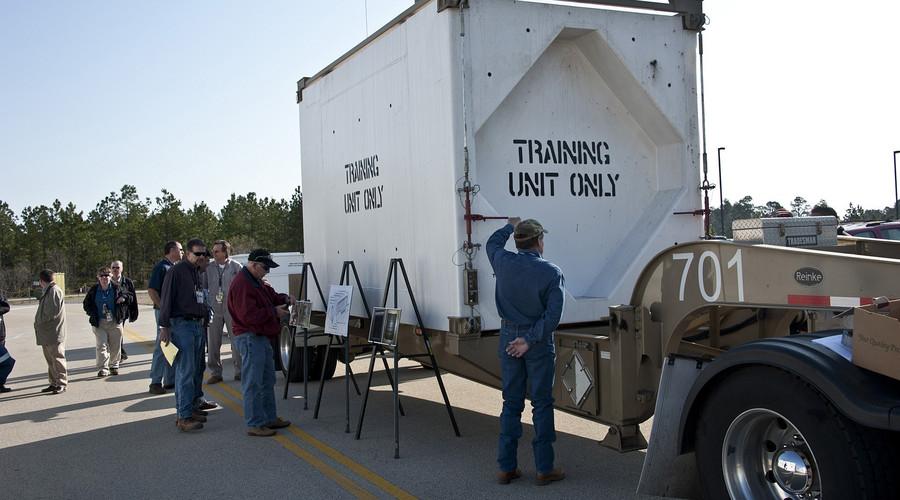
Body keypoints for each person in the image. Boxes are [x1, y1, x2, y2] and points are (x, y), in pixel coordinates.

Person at [486, 218, 566, 486]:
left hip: (508, 337)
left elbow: (492, 243)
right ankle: (544, 469)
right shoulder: (551, 273)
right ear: (539, 241)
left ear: (519, 241)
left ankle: (505, 468)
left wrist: (509, 226)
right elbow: (552, 316)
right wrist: (530, 339)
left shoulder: (502, 262)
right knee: (541, 404)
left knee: (511, 403)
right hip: (538, 342)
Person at [227, 248, 293, 437]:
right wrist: (274, 313)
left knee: (266, 380)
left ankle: (269, 418)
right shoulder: (242, 284)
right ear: (253, 265)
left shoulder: (255, 280)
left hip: (260, 337)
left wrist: (286, 299)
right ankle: (255, 423)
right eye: (265, 267)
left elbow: (272, 297)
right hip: (250, 337)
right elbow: (248, 316)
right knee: (253, 382)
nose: (267, 271)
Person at [158, 238, 213, 432]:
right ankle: (183, 416)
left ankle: (189, 408)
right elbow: (166, 300)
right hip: (182, 326)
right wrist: (164, 327)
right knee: (185, 372)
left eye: (203, 254)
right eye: (197, 254)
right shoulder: (176, 271)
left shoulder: (196, 272)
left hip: (196, 326)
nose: (201, 257)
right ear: (188, 253)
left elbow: (199, 298)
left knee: (196, 369)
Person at [205, 240, 243, 384]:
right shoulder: (208, 268)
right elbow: (202, 286)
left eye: (216, 251)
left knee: (236, 341)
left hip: (232, 309)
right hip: (214, 309)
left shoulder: (236, 267)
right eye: (213, 251)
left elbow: (244, 285)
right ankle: (216, 373)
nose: (213, 253)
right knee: (213, 342)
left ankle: (240, 371)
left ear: (225, 252)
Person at [83, 266, 130, 377]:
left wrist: (123, 298)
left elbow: (129, 296)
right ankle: (103, 368)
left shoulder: (117, 287)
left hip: (115, 321)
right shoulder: (94, 290)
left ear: (111, 277)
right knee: (101, 345)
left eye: (107, 276)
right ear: (98, 277)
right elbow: (86, 304)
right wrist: (92, 313)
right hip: (99, 322)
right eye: (102, 276)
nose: (104, 278)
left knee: (115, 345)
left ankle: (114, 365)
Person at [147, 241, 181, 394]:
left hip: (172, 313)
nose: (182, 251)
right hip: (163, 313)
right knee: (162, 344)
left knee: (170, 346)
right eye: (180, 249)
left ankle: (169, 380)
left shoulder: (172, 267)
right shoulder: (161, 267)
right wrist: (163, 308)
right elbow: (152, 291)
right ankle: (155, 382)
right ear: (172, 250)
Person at [34, 269, 68, 394]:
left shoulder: (53, 291)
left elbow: (51, 312)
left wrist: (39, 322)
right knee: (51, 360)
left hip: (53, 332)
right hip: (47, 333)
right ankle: (54, 382)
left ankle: (61, 383)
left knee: (57, 358)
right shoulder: (48, 290)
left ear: (41, 281)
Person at [110, 260, 138, 360]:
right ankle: (120, 353)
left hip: (122, 313)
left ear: (122, 269)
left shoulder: (127, 282)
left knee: (118, 333)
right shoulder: (106, 280)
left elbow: (132, 297)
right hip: (108, 312)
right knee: (112, 334)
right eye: (113, 267)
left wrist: (124, 298)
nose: (115, 269)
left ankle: (119, 353)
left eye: (117, 267)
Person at [0, 294, 14, 392]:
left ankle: (0, 385)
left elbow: (5, 305)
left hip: (1, 334)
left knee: (4, 362)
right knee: (8, 362)